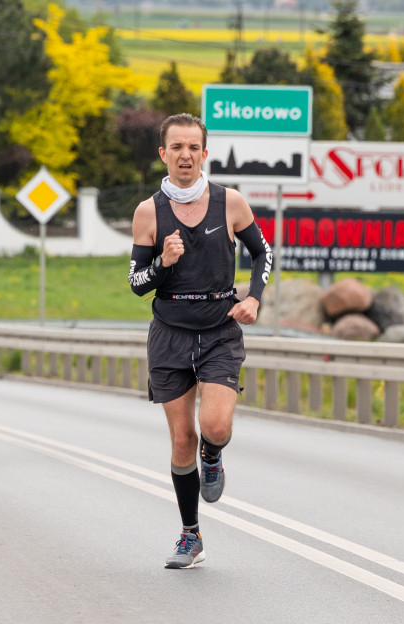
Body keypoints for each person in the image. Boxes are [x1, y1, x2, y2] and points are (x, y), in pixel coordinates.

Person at [128, 113, 273, 569]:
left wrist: (256, 299)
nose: (185, 155)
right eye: (177, 147)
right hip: (170, 334)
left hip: (218, 331)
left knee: (215, 427)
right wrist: (165, 263)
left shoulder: (230, 203)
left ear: (204, 154)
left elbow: (262, 253)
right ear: (163, 154)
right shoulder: (148, 212)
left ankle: (215, 455)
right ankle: (190, 535)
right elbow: (136, 282)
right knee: (180, 440)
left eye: (193, 147)